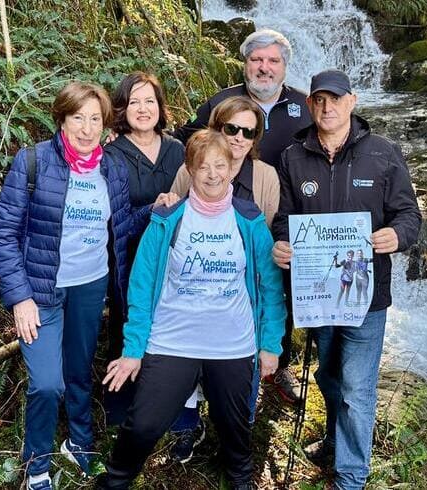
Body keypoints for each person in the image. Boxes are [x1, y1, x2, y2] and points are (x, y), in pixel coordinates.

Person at [95, 130, 286, 490]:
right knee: (144, 425)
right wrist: (133, 350)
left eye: (220, 165)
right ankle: (115, 482)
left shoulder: (249, 220)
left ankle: (241, 482)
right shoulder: (167, 219)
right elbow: (141, 286)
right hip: (172, 341)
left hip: (232, 344)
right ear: (190, 170)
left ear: (232, 168)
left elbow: (270, 287)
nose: (212, 174)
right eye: (203, 167)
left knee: (234, 426)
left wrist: (270, 343)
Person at [0, 81, 151, 490]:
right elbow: (3, 233)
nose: (86, 128)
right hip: (40, 290)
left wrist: (157, 208)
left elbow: (121, 225)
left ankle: (79, 442)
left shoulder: (110, 167)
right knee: (47, 382)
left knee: (79, 372)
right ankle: (37, 463)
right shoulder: (33, 162)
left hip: (90, 285)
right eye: (78, 118)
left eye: (95, 119)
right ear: (61, 119)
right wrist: (20, 297)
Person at [271, 69, 422, 489]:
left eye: (335, 99)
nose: (327, 107)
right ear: (311, 103)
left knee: (357, 389)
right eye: (319, 99)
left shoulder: (383, 153)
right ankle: (338, 442)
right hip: (318, 293)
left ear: (352, 102)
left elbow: (409, 215)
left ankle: (351, 477)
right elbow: (284, 219)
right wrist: (281, 244)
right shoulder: (293, 155)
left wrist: (398, 235)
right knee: (329, 377)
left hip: (366, 296)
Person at [173, 28, 312, 402]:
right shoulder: (220, 103)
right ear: (245, 64)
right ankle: (206, 379)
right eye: (256, 60)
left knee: (275, 287)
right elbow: (183, 141)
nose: (264, 68)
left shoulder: (306, 106)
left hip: (283, 212)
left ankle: (276, 364)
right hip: (217, 212)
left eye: (272, 61)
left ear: (284, 67)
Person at [166, 96, 280, 463]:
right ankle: (187, 429)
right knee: (186, 369)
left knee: (238, 379)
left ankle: (235, 442)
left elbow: (268, 243)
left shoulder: (266, 177)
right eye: (231, 128)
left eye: (248, 131)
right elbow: (171, 229)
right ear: (216, 128)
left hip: (240, 297)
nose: (238, 138)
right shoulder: (189, 170)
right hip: (193, 292)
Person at [101, 72, 186, 426]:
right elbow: (112, 218)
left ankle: (172, 408)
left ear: (160, 106)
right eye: (134, 101)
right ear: (122, 108)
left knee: (172, 330)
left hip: (175, 259)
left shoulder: (178, 150)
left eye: (149, 100)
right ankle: (121, 413)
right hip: (128, 257)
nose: (142, 108)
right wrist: (152, 209)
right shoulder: (112, 154)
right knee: (127, 327)